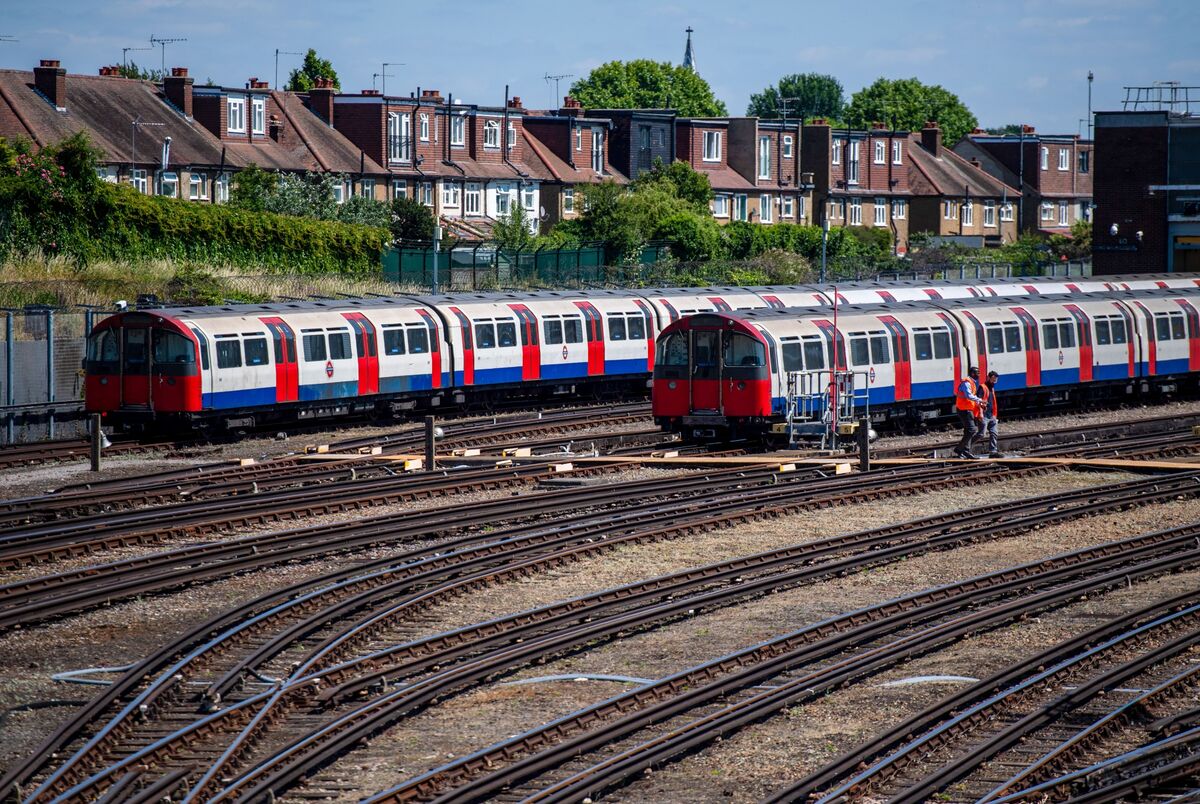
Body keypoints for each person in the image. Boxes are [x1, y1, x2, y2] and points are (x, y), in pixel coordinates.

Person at [954, 365, 983, 459]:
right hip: (964, 409)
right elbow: (968, 395)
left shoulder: (972, 382)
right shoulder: (967, 382)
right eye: (977, 373)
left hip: (968, 409)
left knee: (968, 430)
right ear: (972, 373)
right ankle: (959, 448)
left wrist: (979, 403)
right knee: (972, 429)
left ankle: (965, 451)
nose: (979, 374)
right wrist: (980, 400)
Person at [979, 370, 1001, 457]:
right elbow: (979, 400)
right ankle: (966, 447)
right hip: (984, 415)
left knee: (994, 433)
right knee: (981, 434)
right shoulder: (983, 387)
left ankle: (993, 451)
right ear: (988, 378)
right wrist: (981, 412)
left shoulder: (992, 387)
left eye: (996, 379)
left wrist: (994, 414)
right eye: (993, 379)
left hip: (992, 415)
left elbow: (993, 402)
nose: (995, 381)